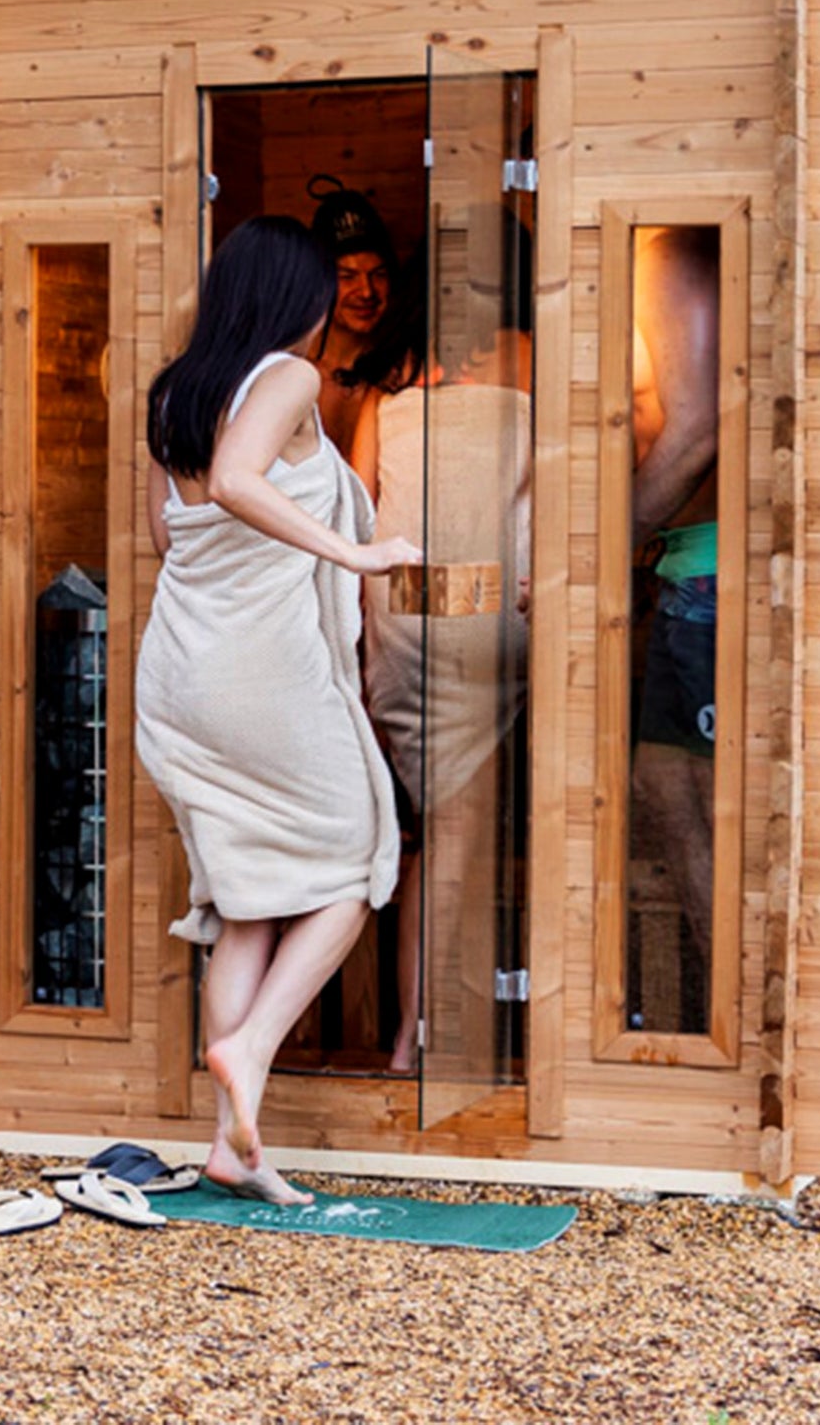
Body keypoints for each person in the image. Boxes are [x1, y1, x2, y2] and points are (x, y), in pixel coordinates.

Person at [134, 214, 422, 1205]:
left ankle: (233, 1146)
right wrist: (355, 553)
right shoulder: (288, 380)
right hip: (264, 671)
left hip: (178, 672)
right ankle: (251, 1047)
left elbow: (168, 534)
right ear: (295, 298)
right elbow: (235, 481)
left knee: (243, 903)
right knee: (359, 857)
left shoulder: (174, 390)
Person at [351, 224, 533, 1072]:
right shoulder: (532, 356)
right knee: (460, 832)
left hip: (404, 616)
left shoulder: (385, 382)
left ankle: (410, 1037)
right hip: (493, 609)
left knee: (433, 830)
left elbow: (357, 516)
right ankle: (428, 1043)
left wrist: (356, 654)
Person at [628, 224, 722, 1007]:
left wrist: (602, 550)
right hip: (684, 561)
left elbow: (696, 426)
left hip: (706, 568)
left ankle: (738, 1028)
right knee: (665, 785)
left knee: (691, 800)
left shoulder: (661, 252)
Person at [307, 178, 399, 459]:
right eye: (347, 277)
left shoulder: (400, 372)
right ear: (320, 282)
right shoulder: (295, 372)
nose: (367, 291)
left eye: (378, 275)